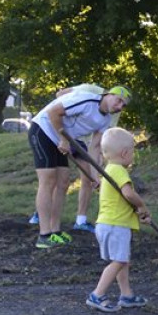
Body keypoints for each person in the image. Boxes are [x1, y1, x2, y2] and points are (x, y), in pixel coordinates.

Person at [28, 85, 130, 249]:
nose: (119, 107)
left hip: (60, 139)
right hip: (43, 130)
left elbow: (95, 148)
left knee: (63, 183)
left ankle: (55, 231)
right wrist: (63, 139)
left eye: (123, 106)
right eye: (119, 101)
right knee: (48, 180)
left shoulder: (105, 120)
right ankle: (44, 235)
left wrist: (95, 176)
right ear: (108, 95)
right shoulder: (87, 99)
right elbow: (53, 112)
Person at [86, 127, 150, 312]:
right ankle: (97, 295)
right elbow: (129, 193)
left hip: (107, 224)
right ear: (124, 153)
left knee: (122, 260)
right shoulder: (119, 171)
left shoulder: (109, 170)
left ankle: (127, 295)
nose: (133, 155)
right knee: (119, 261)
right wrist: (142, 206)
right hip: (115, 226)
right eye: (132, 151)